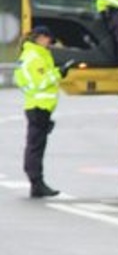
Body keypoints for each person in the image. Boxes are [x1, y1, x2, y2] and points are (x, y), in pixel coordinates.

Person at [13, 26, 73, 198]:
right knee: (36, 147)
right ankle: (36, 183)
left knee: (36, 145)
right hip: (38, 107)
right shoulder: (34, 57)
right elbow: (39, 83)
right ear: (39, 38)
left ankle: (37, 183)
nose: (50, 43)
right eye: (48, 39)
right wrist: (58, 73)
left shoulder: (35, 55)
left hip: (40, 108)